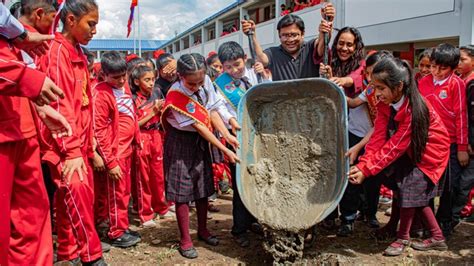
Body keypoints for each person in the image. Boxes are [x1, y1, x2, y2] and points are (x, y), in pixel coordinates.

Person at [348, 56, 450, 256]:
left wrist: (367, 170)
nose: (376, 93)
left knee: (411, 192)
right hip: (410, 151)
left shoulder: (414, 110)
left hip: (429, 154)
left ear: (399, 86)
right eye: (374, 87)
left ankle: (406, 236)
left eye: (381, 88)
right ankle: (396, 225)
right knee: (400, 184)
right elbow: (378, 136)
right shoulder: (385, 103)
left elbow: (394, 146)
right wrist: (364, 163)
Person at [0, 0, 73, 264]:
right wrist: (26, 80)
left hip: (22, 126)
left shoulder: (15, 35)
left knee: (34, 215)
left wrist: (38, 107)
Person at [38, 0, 106, 264]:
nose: (94, 31)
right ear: (70, 21)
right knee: (76, 191)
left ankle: (68, 251)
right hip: (64, 143)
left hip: (78, 141)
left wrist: (87, 142)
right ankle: (92, 255)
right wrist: (72, 150)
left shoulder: (76, 51)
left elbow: (83, 104)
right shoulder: (57, 52)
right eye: (91, 23)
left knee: (72, 197)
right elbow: (60, 106)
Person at [161, 53, 240, 259]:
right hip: (181, 142)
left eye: (199, 82)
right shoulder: (176, 94)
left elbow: (212, 110)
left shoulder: (205, 83)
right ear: (179, 76)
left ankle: (203, 230)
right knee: (183, 191)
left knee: (203, 186)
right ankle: (185, 239)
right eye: (191, 84)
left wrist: (227, 135)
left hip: (202, 141)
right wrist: (224, 149)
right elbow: (199, 126)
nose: (196, 87)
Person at [214, 41, 270, 247]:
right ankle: (239, 229)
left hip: (262, 135)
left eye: (237, 65)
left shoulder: (256, 73)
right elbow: (220, 107)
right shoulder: (220, 84)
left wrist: (264, 75)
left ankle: (254, 220)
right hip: (237, 137)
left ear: (244, 59)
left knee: (260, 178)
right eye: (228, 67)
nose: (233, 70)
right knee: (241, 182)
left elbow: (268, 93)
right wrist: (232, 120)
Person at [318, 26, 370, 236]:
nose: (345, 48)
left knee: (349, 174)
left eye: (349, 44)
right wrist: (329, 76)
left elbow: (357, 79)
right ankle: (329, 214)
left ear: (356, 46)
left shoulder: (363, 64)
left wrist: (342, 81)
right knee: (329, 172)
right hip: (330, 127)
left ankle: (348, 218)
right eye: (341, 43)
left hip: (354, 129)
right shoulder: (330, 62)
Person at [418, 43, 468, 237]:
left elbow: (461, 116)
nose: (436, 71)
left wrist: (462, 147)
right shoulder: (423, 83)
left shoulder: (456, 84)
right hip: (428, 144)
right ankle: (426, 224)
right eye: (433, 66)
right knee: (426, 184)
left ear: (453, 68)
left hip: (451, 145)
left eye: (443, 68)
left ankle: (444, 222)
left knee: (449, 187)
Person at [93, 51, 141, 248]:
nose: (122, 80)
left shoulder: (124, 86)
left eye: (124, 75)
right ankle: (115, 231)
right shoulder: (101, 94)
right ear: (104, 74)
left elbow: (131, 114)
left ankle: (120, 225)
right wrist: (110, 161)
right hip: (116, 152)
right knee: (116, 194)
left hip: (126, 149)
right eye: (116, 77)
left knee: (124, 193)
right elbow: (99, 131)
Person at [241, 2, 335, 81]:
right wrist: (252, 34)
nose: (290, 40)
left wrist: (326, 25)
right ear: (279, 36)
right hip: (283, 102)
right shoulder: (273, 53)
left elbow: (322, 45)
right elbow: (261, 59)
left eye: (294, 35)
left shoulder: (310, 47)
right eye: (285, 35)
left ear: (303, 34)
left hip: (310, 101)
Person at [131, 65, 173, 227]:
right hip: (141, 137)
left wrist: (162, 111)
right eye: (146, 80)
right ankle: (146, 214)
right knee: (144, 177)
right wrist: (154, 112)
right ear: (136, 81)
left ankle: (161, 208)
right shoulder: (134, 99)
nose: (150, 83)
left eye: (152, 79)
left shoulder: (156, 93)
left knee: (158, 175)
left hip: (156, 136)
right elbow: (134, 124)